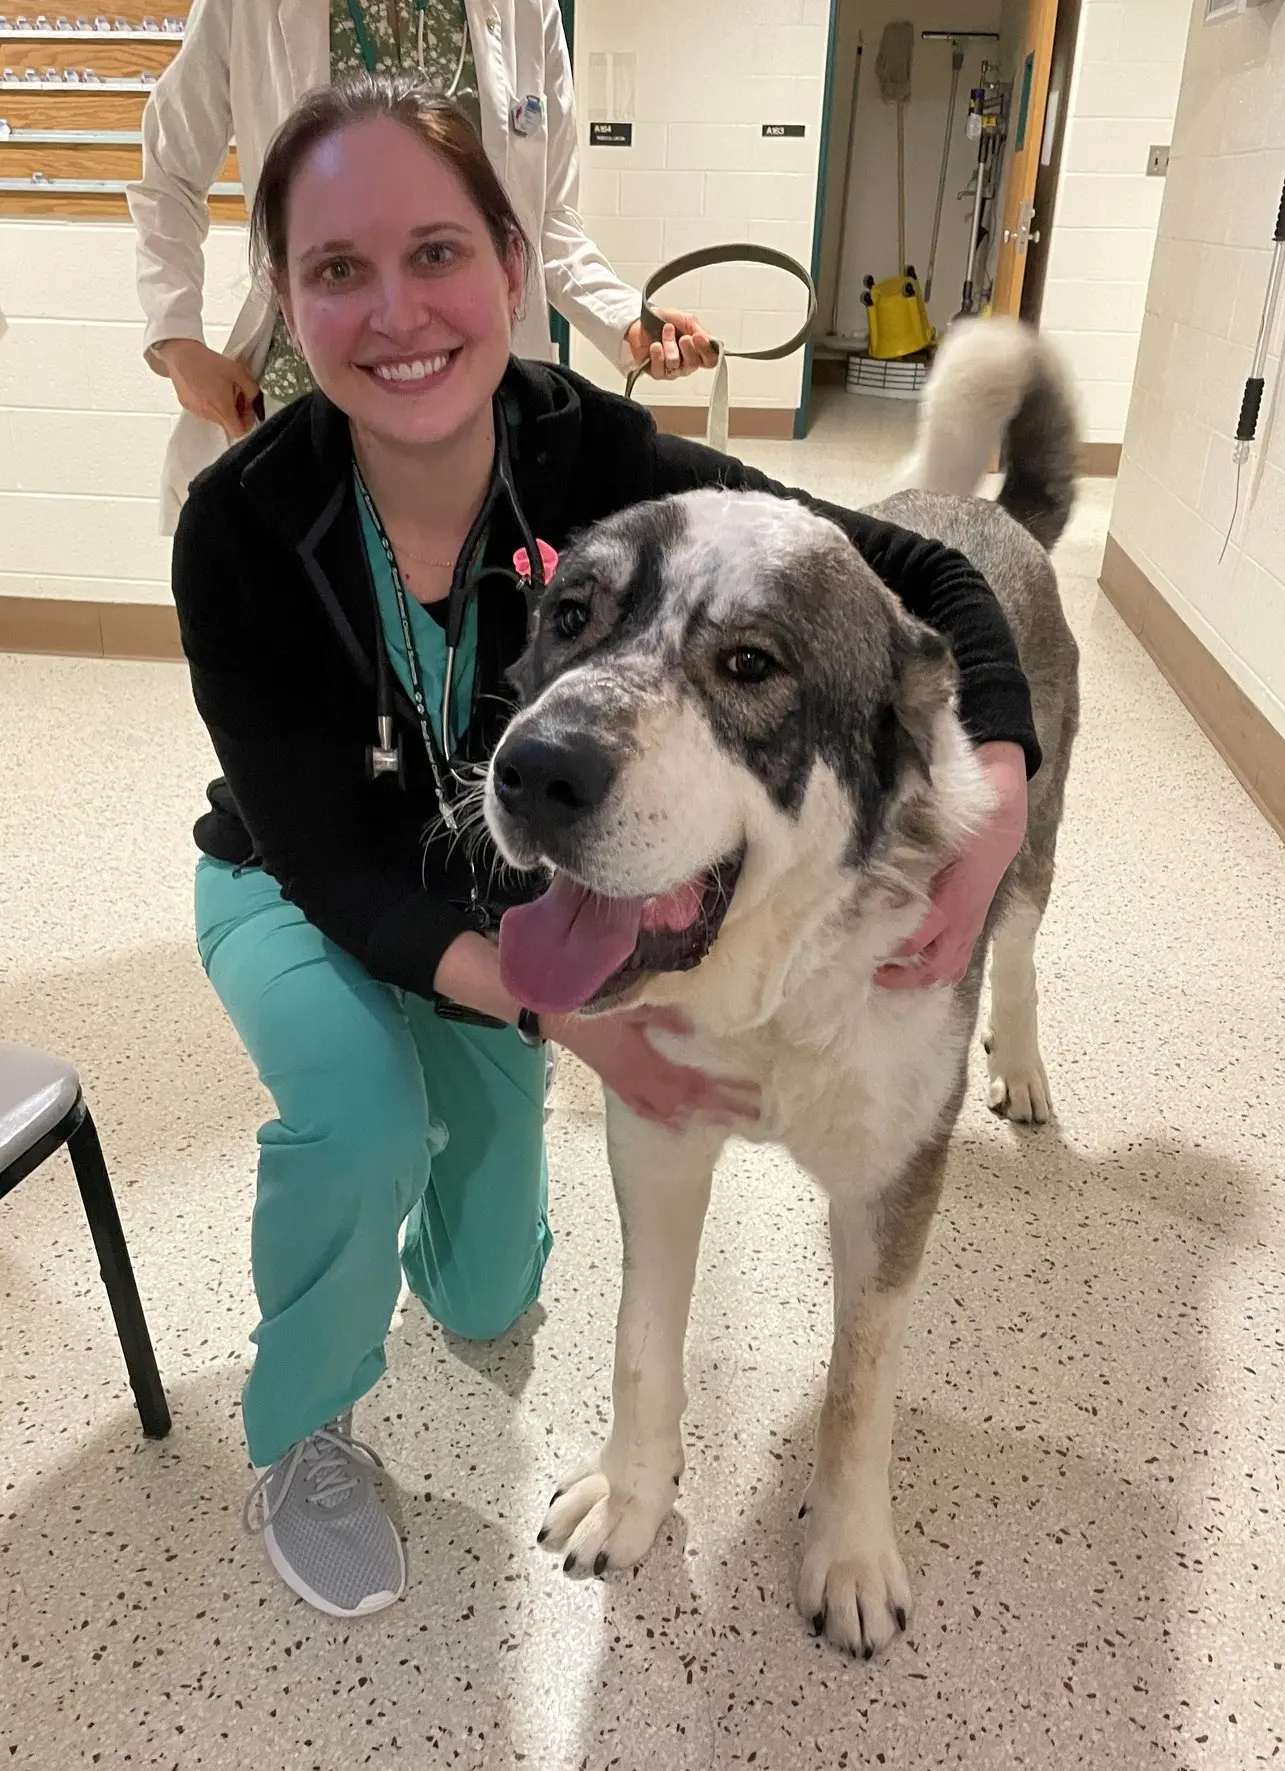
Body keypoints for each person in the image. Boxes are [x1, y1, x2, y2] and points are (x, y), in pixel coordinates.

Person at [173, 70, 1039, 1620]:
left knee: (496, 1282)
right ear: (284, 299)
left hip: (530, 891)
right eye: (336, 269)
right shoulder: (239, 517)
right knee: (358, 1119)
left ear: (515, 269)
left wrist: (1002, 776)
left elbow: (916, 574)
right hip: (305, 890)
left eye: (436, 251)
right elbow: (332, 852)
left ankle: (463, 1200)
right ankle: (303, 1427)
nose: (395, 310)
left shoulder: (594, 456)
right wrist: (569, 1015)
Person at [129, 0, 716, 534]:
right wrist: (177, 341)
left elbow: (543, 223)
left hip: (476, 398)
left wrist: (623, 320)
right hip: (310, 395)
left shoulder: (524, 9)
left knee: (490, 615)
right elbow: (168, 179)